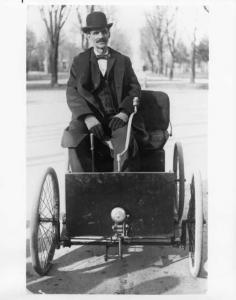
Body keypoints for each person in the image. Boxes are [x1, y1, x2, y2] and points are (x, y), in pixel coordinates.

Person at [61, 11, 147, 172]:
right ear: (88, 36)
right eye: (95, 33)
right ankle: (83, 186)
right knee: (73, 137)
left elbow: (134, 89)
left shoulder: (123, 60)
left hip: (117, 118)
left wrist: (124, 113)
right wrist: (87, 117)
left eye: (103, 32)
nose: (101, 36)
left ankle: (122, 188)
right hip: (90, 118)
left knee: (127, 142)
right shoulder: (79, 61)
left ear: (108, 33)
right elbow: (72, 92)